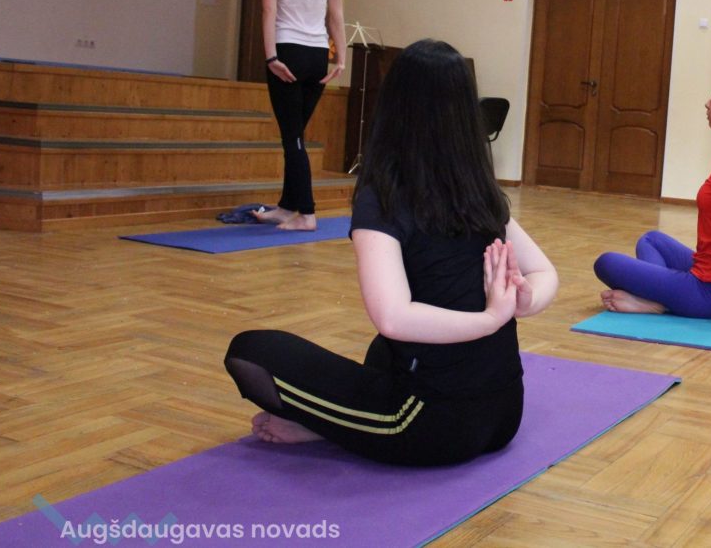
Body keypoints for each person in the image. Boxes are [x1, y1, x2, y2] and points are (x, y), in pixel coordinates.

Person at [224, 40, 558, 466]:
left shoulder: (384, 197)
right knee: (383, 350)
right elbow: (545, 272)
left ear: (394, 104)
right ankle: (335, 423)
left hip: (424, 424)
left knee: (249, 351)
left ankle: (327, 426)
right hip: (505, 413)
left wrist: (493, 318)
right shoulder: (480, 192)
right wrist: (526, 299)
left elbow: (393, 317)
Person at [593, 70, 711, 322]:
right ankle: (658, 298)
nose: (707, 104)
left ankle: (658, 305)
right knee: (651, 240)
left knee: (605, 262)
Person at [252, 0, 349, 231]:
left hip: (288, 51)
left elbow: (268, 9)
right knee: (293, 134)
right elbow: (336, 15)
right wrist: (341, 59)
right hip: (317, 55)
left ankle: (306, 213)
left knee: (292, 136)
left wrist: (270, 57)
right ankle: (287, 206)